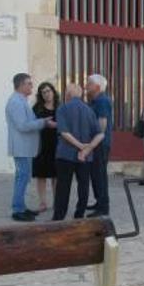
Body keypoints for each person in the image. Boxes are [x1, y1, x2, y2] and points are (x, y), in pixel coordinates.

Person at [6, 73, 56, 222]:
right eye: (29, 83)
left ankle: (21, 206)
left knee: (23, 177)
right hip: (21, 147)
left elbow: (28, 121)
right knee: (22, 177)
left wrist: (42, 120)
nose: (31, 86)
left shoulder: (21, 100)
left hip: (25, 147)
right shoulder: (16, 102)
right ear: (21, 85)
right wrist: (43, 123)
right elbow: (22, 126)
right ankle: (17, 210)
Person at [53, 84, 104, 221]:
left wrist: (80, 145)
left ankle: (59, 216)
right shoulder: (89, 110)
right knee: (84, 185)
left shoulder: (62, 108)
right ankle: (79, 214)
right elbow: (100, 134)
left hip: (65, 154)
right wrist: (87, 148)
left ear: (68, 94)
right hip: (85, 157)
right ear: (81, 95)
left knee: (63, 186)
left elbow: (64, 132)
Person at [85, 74, 113, 217]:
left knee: (100, 175)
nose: (86, 86)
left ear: (96, 87)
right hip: (96, 143)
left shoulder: (102, 101)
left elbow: (102, 123)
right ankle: (99, 201)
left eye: (89, 83)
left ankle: (103, 207)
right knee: (95, 174)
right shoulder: (95, 100)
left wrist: (94, 142)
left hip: (100, 144)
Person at [32, 82, 60, 212]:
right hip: (41, 145)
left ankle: (57, 201)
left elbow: (67, 124)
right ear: (40, 95)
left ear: (53, 92)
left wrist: (56, 125)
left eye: (48, 91)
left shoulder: (60, 107)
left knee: (56, 175)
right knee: (41, 175)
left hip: (57, 144)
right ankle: (42, 202)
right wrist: (44, 124)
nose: (47, 94)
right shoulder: (37, 108)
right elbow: (32, 125)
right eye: (43, 92)